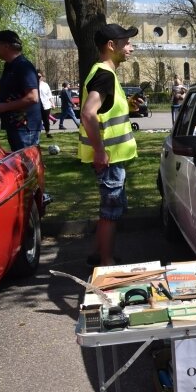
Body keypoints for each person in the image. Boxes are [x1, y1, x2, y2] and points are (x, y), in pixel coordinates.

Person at [79, 23, 139, 267]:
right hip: (110, 159)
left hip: (113, 157)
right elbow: (88, 113)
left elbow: (105, 111)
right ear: (111, 46)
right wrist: (100, 151)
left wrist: (130, 107)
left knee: (110, 210)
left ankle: (97, 253)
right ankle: (106, 261)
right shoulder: (104, 74)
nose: (131, 48)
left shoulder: (105, 73)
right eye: (127, 43)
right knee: (110, 212)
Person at [0, 30, 41, 151]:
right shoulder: (9, 66)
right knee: (17, 166)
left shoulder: (23, 66)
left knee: (26, 167)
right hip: (14, 126)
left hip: (25, 128)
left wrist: (3, 107)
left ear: (6, 45)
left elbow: (33, 97)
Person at [37, 70, 57, 137]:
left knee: (46, 120)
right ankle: (37, 134)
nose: (38, 77)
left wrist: (53, 103)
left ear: (42, 77)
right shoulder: (34, 84)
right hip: (37, 105)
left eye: (40, 76)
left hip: (46, 105)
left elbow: (49, 95)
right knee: (37, 119)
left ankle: (47, 132)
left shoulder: (45, 85)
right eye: (37, 76)